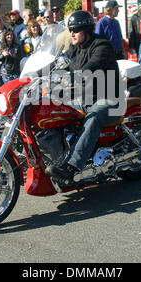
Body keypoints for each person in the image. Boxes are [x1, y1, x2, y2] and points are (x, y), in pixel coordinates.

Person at [45, 10, 125, 182]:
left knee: (93, 118)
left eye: (75, 30)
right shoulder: (75, 49)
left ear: (87, 30)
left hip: (109, 99)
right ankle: (55, 156)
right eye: (70, 30)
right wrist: (38, 75)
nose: (71, 33)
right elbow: (58, 63)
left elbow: (92, 66)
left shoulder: (102, 46)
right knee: (52, 110)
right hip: (84, 98)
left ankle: (72, 166)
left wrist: (74, 77)